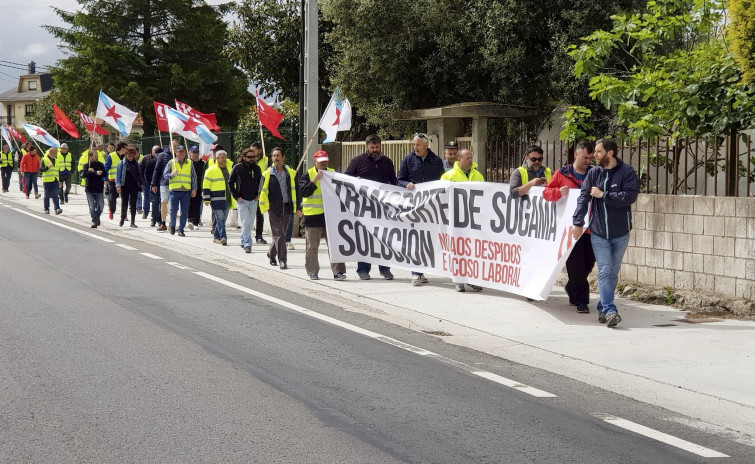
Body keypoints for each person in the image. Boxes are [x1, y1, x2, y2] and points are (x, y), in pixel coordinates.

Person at [572, 138, 639, 328]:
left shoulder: (627, 172)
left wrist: (604, 195)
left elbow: (630, 196)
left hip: (620, 233)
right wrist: (578, 222)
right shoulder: (594, 173)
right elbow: (583, 198)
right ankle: (610, 310)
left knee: (612, 272)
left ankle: (602, 306)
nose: (594, 155)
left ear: (610, 153)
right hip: (599, 232)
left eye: (599, 152)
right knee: (604, 270)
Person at [544, 140, 597, 314]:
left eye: (590, 158)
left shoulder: (595, 174)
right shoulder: (562, 173)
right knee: (576, 266)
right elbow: (546, 193)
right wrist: (558, 192)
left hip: (591, 227)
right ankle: (581, 301)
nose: (588, 161)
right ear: (576, 154)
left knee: (588, 263)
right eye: (585, 157)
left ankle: (572, 286)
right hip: (570, 228)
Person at [344, 134, 398, 280]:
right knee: (365, 238)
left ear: (380, 146)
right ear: (367, 146)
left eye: (377, 147)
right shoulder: (357, 161)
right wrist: (356, 181)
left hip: (382, 207)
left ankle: (384, 268)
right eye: (372, 147)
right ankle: (363, 269)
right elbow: (346, 179)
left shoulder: (387, 162)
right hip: (363, 208)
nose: (375, 150)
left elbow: (393, 182)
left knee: (383, 237)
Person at [397, 132, 445, 286]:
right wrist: (406, 185)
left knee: (429, 239)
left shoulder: (437, 161)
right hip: (414, 205)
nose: (415, 147)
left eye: (418, 144)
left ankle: (425, 269)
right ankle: (416, 273)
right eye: (414, 144)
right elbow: (399, 180)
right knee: (416, 239)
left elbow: (442, 181)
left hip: (431, 206)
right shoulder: (408, 159)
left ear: (426, 145)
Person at [441, 148, 484, 292]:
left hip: (472, 219)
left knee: (471, 250)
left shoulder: (478, 175)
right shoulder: (448, 176)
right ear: (459, 160)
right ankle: (458, 279)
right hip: (455, 219)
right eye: (467, 158)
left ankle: (471, 279)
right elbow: (441, 196)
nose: (471, 160)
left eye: (471, 157)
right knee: (456, 250)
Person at [299, 150, 346, 280]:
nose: (324, 163)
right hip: (312, 216)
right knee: (312, 247)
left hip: (330, 215)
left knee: (335, 245)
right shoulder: (307, 174)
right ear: (315, 161)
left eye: (325, 160)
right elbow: (304, 192)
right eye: (321, 161)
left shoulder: (332, 173)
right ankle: (313, 272)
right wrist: (315, 180)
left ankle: (338, 272)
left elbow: (343, 187)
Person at [258, 147, 300, 269]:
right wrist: (264, 206)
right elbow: (261, 191)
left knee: (280, 234)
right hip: (273, 209)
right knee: (280, 236)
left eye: (278, 155)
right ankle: (283, 260)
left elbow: (297, 191)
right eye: (274, 156)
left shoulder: (291, 173)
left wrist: (298, 207)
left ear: (283, 158)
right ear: (271, 158)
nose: (276, 158)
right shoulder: (266, 174)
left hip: (287, 207)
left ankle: (271, 253)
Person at [229, 147, 262, 253]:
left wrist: (259, 194)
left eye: (253, 157)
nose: (252, 159)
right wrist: (236, 196)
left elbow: (261, 182)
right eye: (249, 157)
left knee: (250, 223)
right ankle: (248, 243)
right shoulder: (238, 168)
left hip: (253, 200)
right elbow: (230, 183)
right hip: (242, 200)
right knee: (245, 222)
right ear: (243, 157)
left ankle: (243, 240)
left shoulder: (257, 168)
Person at [163, 145, 197, 236]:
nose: (181, 153)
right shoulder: (171, 162)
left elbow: (193, 176)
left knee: (184, 211)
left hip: (186, 191)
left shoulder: (190, 163)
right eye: (180, 151)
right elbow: (165, 175)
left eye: (183, 151)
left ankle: (181, 229)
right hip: (174, 190)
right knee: (173, 210)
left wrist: (194, 188)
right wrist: (171, 174)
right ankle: (173, 226)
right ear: (176, 153)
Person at [203, 149, 234, 245]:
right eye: (221, 158)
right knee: (220, 218)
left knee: (222, 219)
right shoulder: (210, 170)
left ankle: (216, 236)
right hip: (216, 198)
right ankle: (223, 237)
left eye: (224, 157)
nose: (223, 159)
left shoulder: (231, 168)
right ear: (216, 158)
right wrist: (206, 199)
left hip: (228, 198)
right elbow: (206, 185)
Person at [151, 141, 177, 231]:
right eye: (173, 146)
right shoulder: (162, 155)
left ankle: (172, 224)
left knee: (173, 205)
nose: (175, 148)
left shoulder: (180, 157)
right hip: (164, 183)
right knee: (163, 202)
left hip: (176, 184)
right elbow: (157, 170)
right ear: (169, 146)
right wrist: (154, 184)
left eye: (177, 146)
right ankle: (163, 223)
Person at [115, 145, 142, 228]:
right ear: (126, 155)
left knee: (133, 204)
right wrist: (118, 185)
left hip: (134, 186)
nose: (130, 157)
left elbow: (139, 175)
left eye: (132, 156)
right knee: (124, 203)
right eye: (129, 156)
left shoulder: (136, 164)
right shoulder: (122, 164)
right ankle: (123, 218)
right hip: (124, 186)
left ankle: (132, 221)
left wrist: (140, 184)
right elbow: (118, 175)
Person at [80, 148, 106, 227]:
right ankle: (94, 221)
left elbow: (104, 174)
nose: (96, 157)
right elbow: (83, 175)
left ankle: (97, 217)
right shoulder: (86, 165)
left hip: (99, 188)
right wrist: (94, 172)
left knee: (101, 207)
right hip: (89, 189)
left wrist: (99, 173)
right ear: (90, 157)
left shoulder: (100, 164)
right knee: (92, 207)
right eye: (94, 156)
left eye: (96, 156)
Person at [250, 142, 268, 244]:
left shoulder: (266, 161)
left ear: (260, 150)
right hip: (250, 191)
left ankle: (259, 236)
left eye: (254, 150)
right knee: (249, 216)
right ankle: (246, 236)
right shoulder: (249, 161)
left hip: (262, 191)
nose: (252, 152)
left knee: (260, 214)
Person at [104, 142, 127, 220]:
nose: (127, 150)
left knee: (125, 198)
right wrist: (105, 179)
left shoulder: (126, 157)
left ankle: (124, 215)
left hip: (124, 181)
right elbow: (106, 169)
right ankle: (111, 211)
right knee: (113, 198)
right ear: (122, 148)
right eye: (126, 148)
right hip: (112, 180)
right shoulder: (111, 156)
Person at [140, 145, 160, 226]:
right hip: (147, 182)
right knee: (147, 197)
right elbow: (142, 170)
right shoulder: (146, 158)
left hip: (157, 184)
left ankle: (158, 218)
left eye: (157, 150)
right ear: (152, 151)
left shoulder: (161, 159)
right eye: (155, 150)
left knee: (156, 201)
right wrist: (144, 180)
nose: (156, 152)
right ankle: (146, 212)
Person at [39, 146, 62, 214]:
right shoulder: (44, 159)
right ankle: (46, 209)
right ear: (50, 152)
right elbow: (40, 169)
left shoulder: (56, 160)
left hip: (55, 180)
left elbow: (58, 171)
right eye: (55, 152)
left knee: (55, 194)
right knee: (47, 195)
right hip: (47, 180)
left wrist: (60, 180)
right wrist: (47, 167)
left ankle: (57, 208)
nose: (56, 153)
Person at [187, 146, 206, 230]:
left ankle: (196, 222)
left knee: (198, 204)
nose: (195, 154)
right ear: (190, 153)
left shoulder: (203, 164)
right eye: (194, 152)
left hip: (199, 187)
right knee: (189, 204)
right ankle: (189, 220)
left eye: (197, 152)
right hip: (188, 187)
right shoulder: (188, 163)